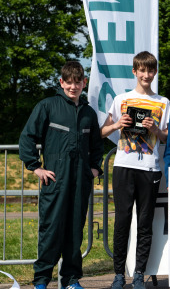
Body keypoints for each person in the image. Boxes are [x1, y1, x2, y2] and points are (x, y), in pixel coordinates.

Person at [19, 61, 104, 289]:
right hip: (55, 181)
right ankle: (41, 281)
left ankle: (71, 280)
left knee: (75, 232)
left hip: (80, 183)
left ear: (84, 83)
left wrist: (95, 168)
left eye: (78, 82)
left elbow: (97, 145)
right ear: (61, 82)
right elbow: (27, 138)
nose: (73, 87)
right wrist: (35, 167)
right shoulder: (47, 106)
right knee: (51, 231)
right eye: (69, 82)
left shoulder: (88, 113)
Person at [101, 51, 170, 289]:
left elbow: (167, 137)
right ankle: (119, 274)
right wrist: (117, 124)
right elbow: (102, 131)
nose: (146, 74)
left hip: (150, 168)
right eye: (142, 70)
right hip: (124, 166)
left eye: (150, 70)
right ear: (135, 71)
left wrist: (156, 131)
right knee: (121, 221)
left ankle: (139, 273)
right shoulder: (121, 99)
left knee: (145, 223)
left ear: (155, 72)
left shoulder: (163, 102)